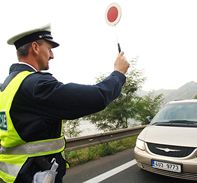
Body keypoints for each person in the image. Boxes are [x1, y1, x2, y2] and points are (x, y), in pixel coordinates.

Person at [0, 24, 129, 183]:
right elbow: (97, 97)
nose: (52, 55)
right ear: (35, 47)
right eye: (49, 49)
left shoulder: (7, 86)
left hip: (12, 176)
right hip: (32, 175)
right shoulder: (35, 86)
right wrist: (118, 74)